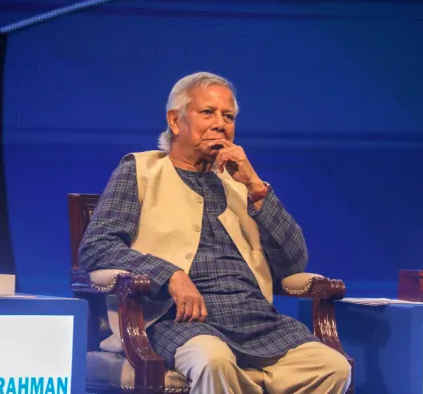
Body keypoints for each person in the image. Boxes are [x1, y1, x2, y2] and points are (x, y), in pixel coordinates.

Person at [80, 72, 351, 393]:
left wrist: (256, 189)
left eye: (228, 116)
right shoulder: (140, 172)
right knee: (214, 360)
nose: (220, 124)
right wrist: (169, 275)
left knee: (332, 366)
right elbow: (97, 246)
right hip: (180, 321)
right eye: (207, 112)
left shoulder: (241, 185)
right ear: (175, 121)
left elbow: (293, 263)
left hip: (256, 321)